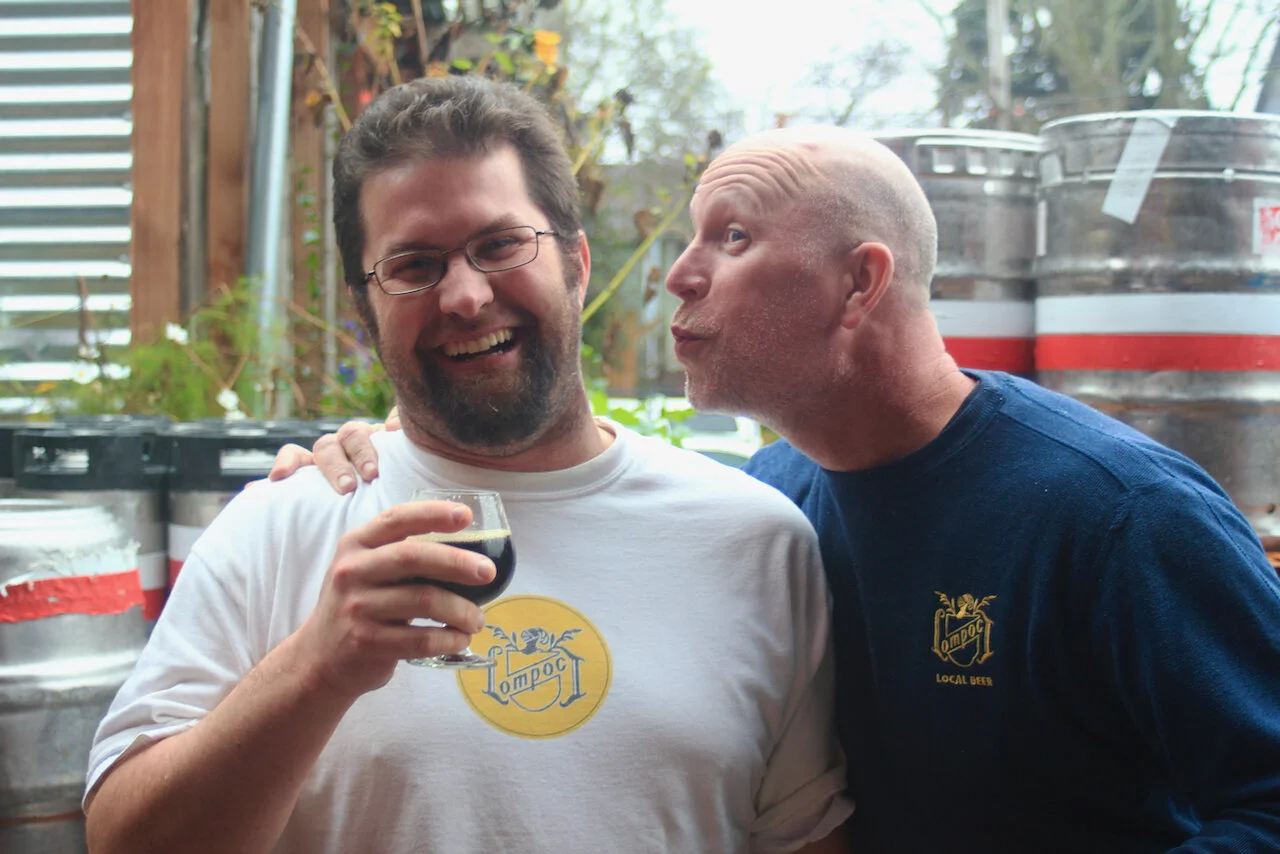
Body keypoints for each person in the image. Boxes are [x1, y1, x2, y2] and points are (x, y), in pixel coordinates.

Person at [292, 124, 1280, 852]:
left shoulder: (1118, 516)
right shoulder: (766, 507)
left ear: (859, 283)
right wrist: (403, 449)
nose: (678, 275)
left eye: (731, 238)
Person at [84, 77, 853, 854]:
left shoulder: (753, 542)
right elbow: (122, 840)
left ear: (578, 262)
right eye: (413, 264)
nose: (463, 295)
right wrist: (316, 669)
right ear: (364, 309)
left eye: (500, 245)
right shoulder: (280, 527)